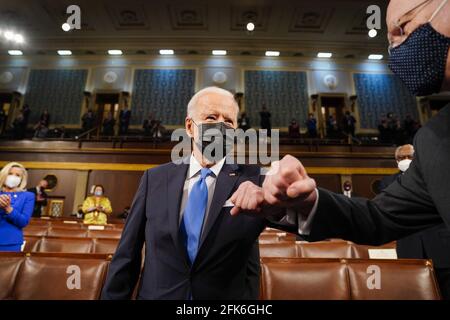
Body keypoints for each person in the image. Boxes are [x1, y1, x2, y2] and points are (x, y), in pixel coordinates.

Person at [230, 0, 450, 299]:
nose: (394, 50)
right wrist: (304, 201)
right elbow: (378, 218)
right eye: (389, 40)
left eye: (402, 28)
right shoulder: (435, 138)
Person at [101, 87, 287, 300]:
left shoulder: (254, 180)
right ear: (190, 126)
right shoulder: (155, 179)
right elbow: (127, 256)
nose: (220, 126)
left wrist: (290, 192)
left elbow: (296, 220)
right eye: (211, 117)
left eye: (228, 121)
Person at [379, 143, 450, 299]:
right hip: (409, 246)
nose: (405, 160)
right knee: (413, 292)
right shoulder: (387, 182)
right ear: (396, 161)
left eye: (409, 156)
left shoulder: (437, 177)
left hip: (440, 246)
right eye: (401, 157)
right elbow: (390, 209)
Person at [0, 162, 35, 252]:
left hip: (10, 242)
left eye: (17, 175)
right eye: (10, 174)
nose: (13, 177)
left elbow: (23, 222)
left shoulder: (28, 196)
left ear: (21, 179)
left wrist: (8, 209)